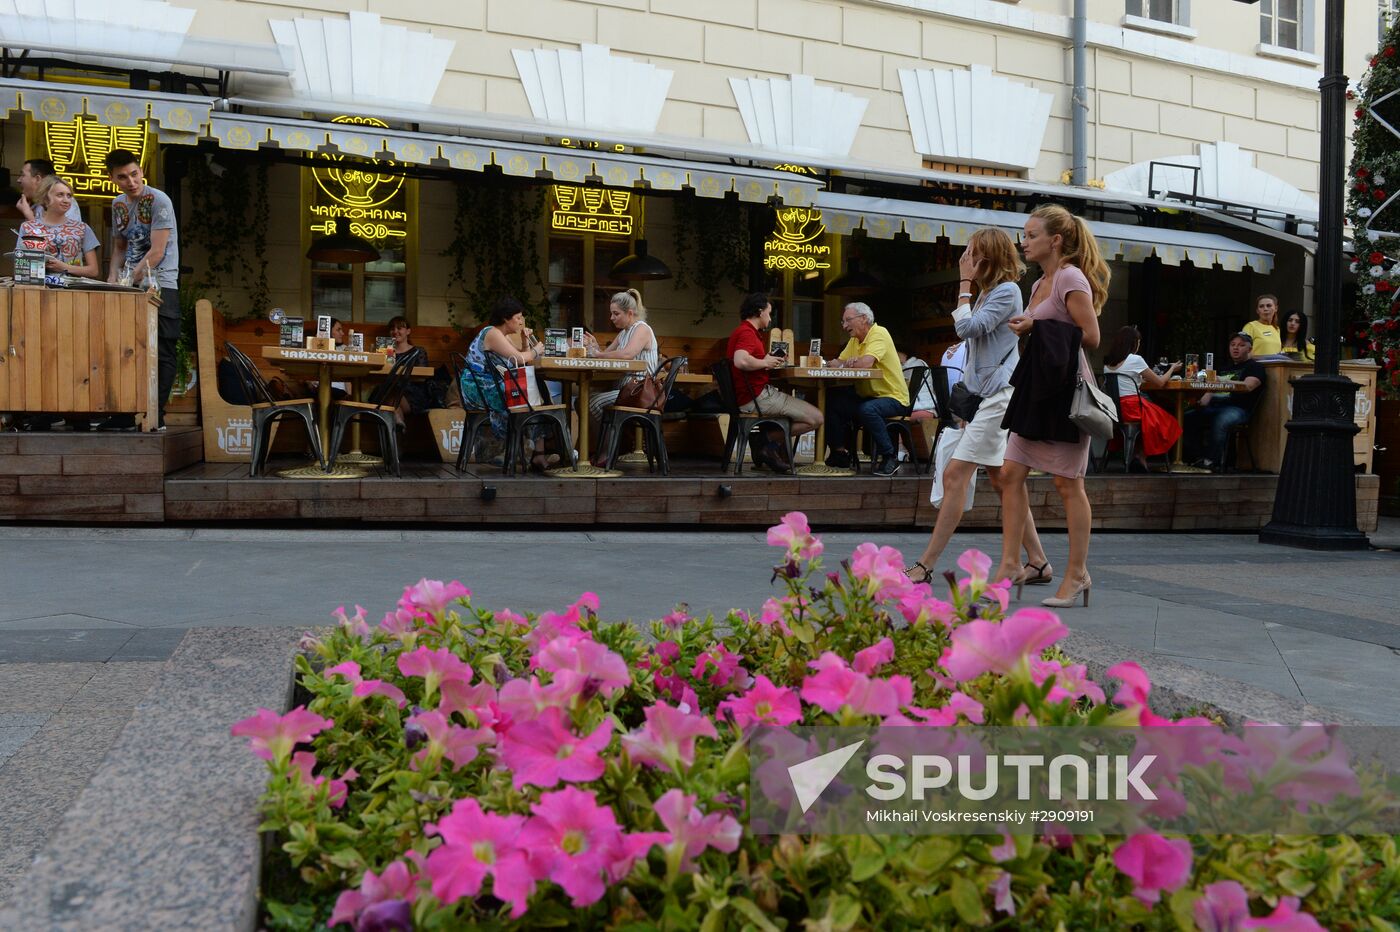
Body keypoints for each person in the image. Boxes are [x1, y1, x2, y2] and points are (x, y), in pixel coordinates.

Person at [903, 228, 1051, 586]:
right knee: (1003, 480)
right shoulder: (990, 292)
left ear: (989, 257)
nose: (965, 260)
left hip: (999, 398)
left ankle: (925, 565)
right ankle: (1039, 562)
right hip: (985, 398)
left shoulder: (1005, 291)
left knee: (956, 475)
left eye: (972, 254)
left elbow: (968, 329)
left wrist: (964, 284)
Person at [998, 204, 1109, 609]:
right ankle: (1011, 562)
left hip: (1064, 391)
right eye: (1024, 235)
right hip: (1037, 387)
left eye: (1031, 235)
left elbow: (1091, 336)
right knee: (1010, 472)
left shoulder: (1070, 277)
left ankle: (1077, 574)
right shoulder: (1039, 282)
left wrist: (1037, 326)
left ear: (1055, 240)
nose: (1023, 242)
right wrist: (1027, 326)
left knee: (1068, 484)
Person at [103, 149, 179, 431]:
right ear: (112, 179)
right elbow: (119, 246)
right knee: (126, 349)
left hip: (161, 284)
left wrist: (128, 280)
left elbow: (158, 251)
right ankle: (124, 413)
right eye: (122, 177)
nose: (131, 181)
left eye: (134, 174)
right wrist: (112, 278)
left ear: (142, 171)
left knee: (163, 350)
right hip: (129, 285)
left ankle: (155, 414)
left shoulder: (159, 200)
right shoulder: (118, 204)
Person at [458, 297, 559, 472]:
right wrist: (537, 350)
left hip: (492, 385)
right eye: (518, 317)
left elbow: (519, 362)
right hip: (480, 388)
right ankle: (528, 451)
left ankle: (535, 452)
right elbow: (520, 359)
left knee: (536, 393)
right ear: (506, 318)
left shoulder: (502, 336)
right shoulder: (492, 333)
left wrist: (525, 341)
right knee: (531, 395)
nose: (521, 321)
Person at [726, 292, 823, 473]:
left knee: (796, 415)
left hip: (748, 395)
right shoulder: (747, 333)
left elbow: (746, 360)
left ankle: (767, 445)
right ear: (760, 311)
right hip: (757, 396)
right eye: (769, 313)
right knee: (816, 418)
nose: (770, 318)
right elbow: (741, 360)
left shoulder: (743, 331)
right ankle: (765, 441)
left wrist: (766, 360)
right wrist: (765, 362)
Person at [824, 302, 910, 477]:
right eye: (843, 322)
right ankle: (839, 452)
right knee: (833, 400)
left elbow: (866, 363)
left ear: (864, 319)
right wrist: (848, 363)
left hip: (893, 398)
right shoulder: (855, 340)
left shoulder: (879, 333)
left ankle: (889, 457)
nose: (844, 325)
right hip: (869, 396)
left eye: (848, 320)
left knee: (867, 409)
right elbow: (837, 363)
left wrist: (852, 362)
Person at [582, 289, 660, 463]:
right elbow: (605, 355)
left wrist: (597, 354)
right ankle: (606, 448)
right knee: (580, 401)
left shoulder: (642, 329)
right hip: (627, 389)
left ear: (629, 313)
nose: (612, 318)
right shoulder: (624, 332)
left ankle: (608, 452)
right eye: (611, 313)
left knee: (592, 402)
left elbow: (627, 354)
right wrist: (595, 347)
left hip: (641, 391)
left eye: (616, 313)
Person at [1102, 325, 1182, 472]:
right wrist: (1172, 368)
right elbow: (1160, 382)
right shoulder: (1135, 359)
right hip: (1132, 408)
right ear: (1133, 343)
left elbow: (1125, 380)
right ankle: (1141, 455)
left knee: (1149, 421)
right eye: (1138, 342)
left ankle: (1139, 457)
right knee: (1168, 420)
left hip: (1115, 410)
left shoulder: (1108, 363)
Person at [1183, 332, 1265, 471]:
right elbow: (1211, 390)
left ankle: (1211, 462)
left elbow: (1249, 386)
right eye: (1233, 345)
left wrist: (1223, 380)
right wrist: (1201, 402)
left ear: (1250, 349)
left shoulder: (1255, 367)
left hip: (1238, 408)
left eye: (1241, 345)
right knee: (1187, 417)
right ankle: (1194, 458)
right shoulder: (1223, 368)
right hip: (1214, 405)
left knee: (1221, 419)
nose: (1236, 348)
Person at [18, 176, 99, 279]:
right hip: (37, 290)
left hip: (73, 291)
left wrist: (64, 267)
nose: (66, 200)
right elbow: (20, 266)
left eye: (69, 196)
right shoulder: (28, 227)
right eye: (60, 195)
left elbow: (93, 271)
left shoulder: (82, 228)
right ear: (46, 198)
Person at [16, 158, 82, 225]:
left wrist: (29, 216)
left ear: (37, 179)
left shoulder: (64, 200)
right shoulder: (35, 206)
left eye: (22, 175)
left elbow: (63, 233)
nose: (18, 180)